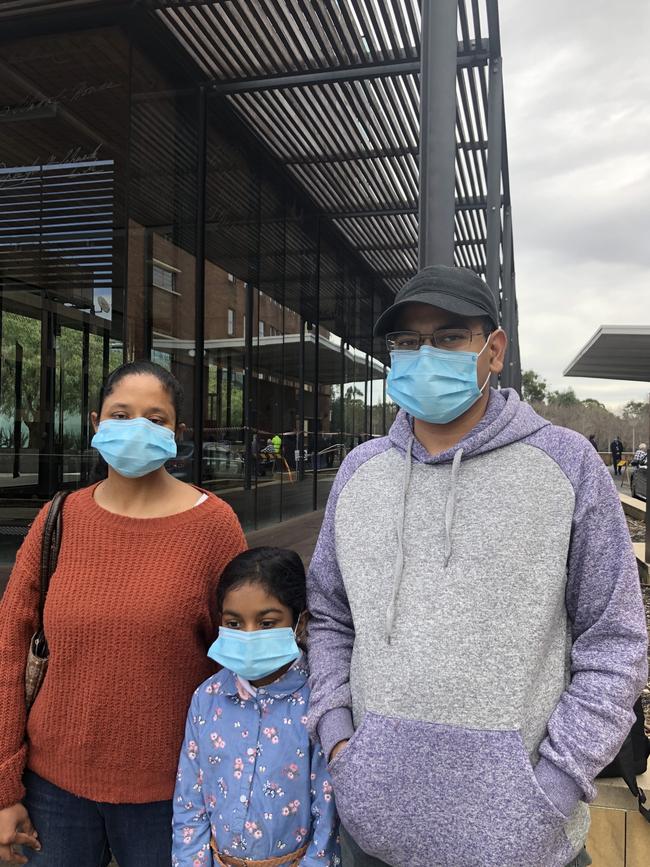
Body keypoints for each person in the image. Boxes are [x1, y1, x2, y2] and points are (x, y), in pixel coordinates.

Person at [306, 265, 648, 867]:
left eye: (448, 337)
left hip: (525, 840)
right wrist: (339, 743)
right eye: (407, 342)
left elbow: (615, 640)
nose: (424, 355)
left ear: (494, 351)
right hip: (372, 831)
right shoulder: (360, 474)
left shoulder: (567, 466)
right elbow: (330, 618)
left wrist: (558, 783)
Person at [0, 361, 246, 866]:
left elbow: (238, 666)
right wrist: (5, 787)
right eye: (121, 413)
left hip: (175, 792)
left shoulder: (214, 526)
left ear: (177, 432)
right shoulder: (58, 519)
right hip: (54, 790)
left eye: (156, 418)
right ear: (96, 422)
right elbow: (8, 652)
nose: (138, 427)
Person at [172, 546, 340, 866]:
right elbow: (189, 803)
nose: (248, 635)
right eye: (234, 623)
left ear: (299, 623)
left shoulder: (317, 703)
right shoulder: (207, 699)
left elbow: (328, 817)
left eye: (266, 623)